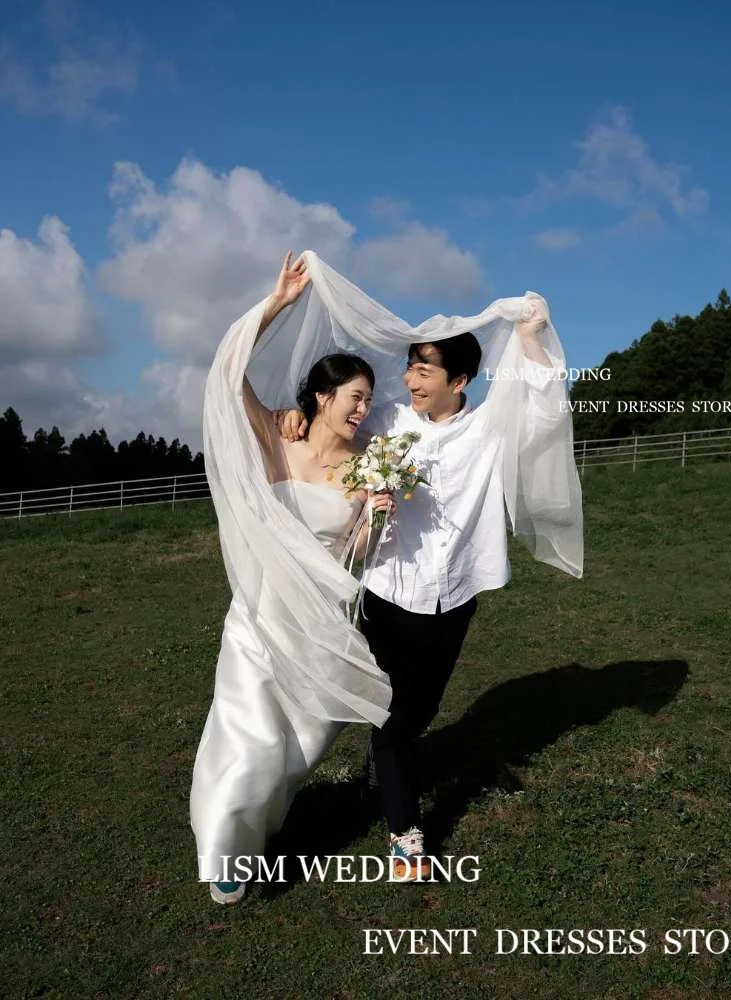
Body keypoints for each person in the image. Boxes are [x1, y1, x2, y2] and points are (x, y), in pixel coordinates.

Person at [276, 265, 583, 880]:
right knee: (392, 715)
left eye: (425, 369)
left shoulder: (490, 426)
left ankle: (381, 764)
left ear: (460, 380)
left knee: (418, 712)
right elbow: (337, 422)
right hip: (389, 588)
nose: (410, 377)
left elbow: (546, 411)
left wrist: (530, 339)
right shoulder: (388, 419)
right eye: (411, 366)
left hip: (457, 593)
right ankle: (404, 833)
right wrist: (296, 417)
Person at [191, 251, 394, 904]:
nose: (365, 407)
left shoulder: (370, 467)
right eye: (355, 396)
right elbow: (227, 376)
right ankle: (226, 854)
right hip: (260, 617)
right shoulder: (279, 438)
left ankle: (259, 820)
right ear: (320, 397)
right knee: (247, 738)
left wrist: (380, 515)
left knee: (300, 746)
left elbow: (359, 551)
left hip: (321, 625)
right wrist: (276, 304)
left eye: (369, 397)